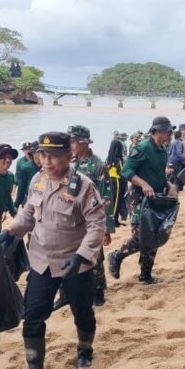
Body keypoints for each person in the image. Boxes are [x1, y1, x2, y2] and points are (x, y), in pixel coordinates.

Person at [0, 132, 106, 369]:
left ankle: (85, 351)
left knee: (83, 313)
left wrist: (82, 256)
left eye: (54, 156)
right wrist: (8, 232)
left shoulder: (84, 186)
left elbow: (97, 226)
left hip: (75, 263)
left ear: (69, 155)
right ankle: (34, 366)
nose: (47, 161)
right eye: (43, 154)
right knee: (33, 315)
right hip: (41, 261)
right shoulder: (37, 179)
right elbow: (29, 216)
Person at [108, 116, 178, 284]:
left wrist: (169, 185)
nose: (171, 134)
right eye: (168, 131)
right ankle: (117, 255)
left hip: (156, 198)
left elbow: (160, 173)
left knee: (154, 234)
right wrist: (144, 183)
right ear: (157, 131)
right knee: (141, 236)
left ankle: (145, 274)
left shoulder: (162, 149)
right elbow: (126, 171)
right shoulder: (143, 148)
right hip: (139, 198)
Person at [54, 125, 115, 308]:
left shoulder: (98, 165)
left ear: (84, 143)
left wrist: (106, 229)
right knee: (65, 255)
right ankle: (64, 294)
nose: (70, 145)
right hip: (70, 219)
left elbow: (106, 197)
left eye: (73, 141)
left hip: (91, 219)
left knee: (94, 255)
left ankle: (98, 292)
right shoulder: (70, 163)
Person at [106, 139, 128, 226]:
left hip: (109, 180)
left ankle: (111, 220)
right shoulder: (118, 160)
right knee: (116, 202)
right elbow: (122, 172)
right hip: (116, 181)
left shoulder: (108, 159)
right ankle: (114, 221)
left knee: (111, 201)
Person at [14, 142, 40, 209]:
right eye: (38, 152)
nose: (41, 154)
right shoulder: (25, 168)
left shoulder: (46, 166)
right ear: (33, 153)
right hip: (29, 198)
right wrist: (16, 204)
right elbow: (21, 187)